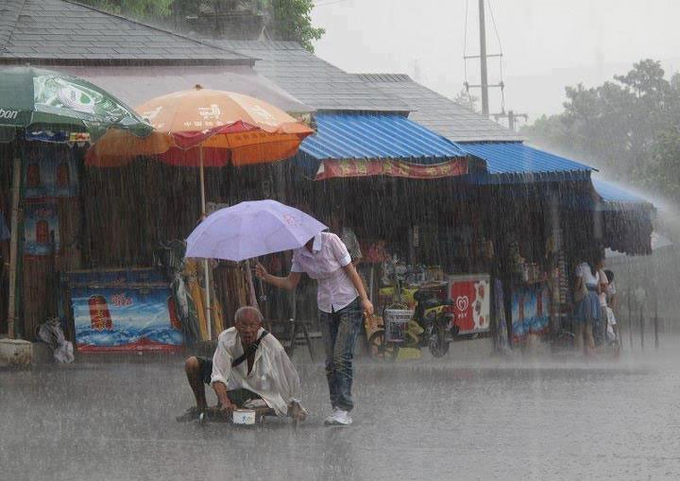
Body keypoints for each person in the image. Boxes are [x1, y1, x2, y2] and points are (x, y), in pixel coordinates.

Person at [256, 231, 374, 426]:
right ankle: (337, 407)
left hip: (348, 303)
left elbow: (352, 271)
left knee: (341, 358)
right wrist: (266, 276)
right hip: (325, 307)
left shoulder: (331, 241)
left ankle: (344, 409)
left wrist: (365, 299)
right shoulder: (299, 251)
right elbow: (290, 282)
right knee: (330, 361)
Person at [176, 306, 306, 422]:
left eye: (252, 325)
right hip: (231, 379)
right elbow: (218, 375)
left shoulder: (271, 344)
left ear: (259, 326)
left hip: (257, 387)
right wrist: (224, 400)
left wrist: (295, 402)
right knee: (192, 363)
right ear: (236, 325)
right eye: (243, 326)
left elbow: (289, 374)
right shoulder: (227, 338)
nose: (248, 330)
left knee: (242, 405)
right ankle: (201, 408)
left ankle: (231, 406)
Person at [573, 255, 601, 351]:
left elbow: (577, 285)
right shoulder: (595, 271)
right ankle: (591, 353)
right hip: (594, 299)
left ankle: (579, 355)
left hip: (585, 298)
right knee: (589, 331)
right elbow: (599, 290)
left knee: (579, 330)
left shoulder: (580, 267)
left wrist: (574, 293)